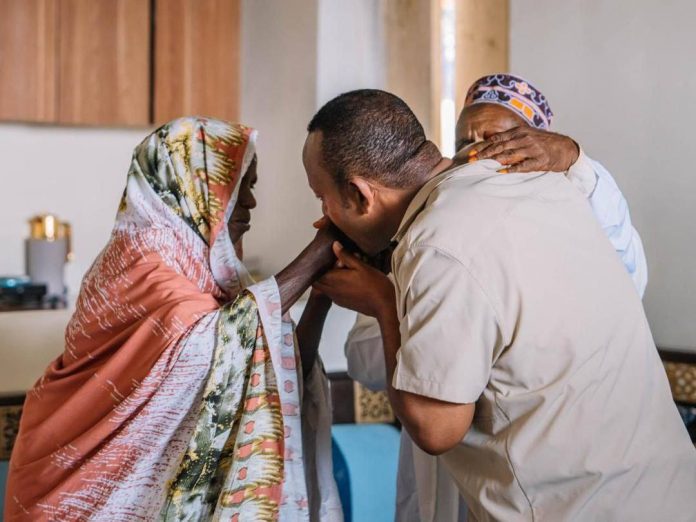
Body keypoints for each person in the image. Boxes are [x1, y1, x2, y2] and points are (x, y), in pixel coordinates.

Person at [306, 90, 696, 521]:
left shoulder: (436, 243)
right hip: (665, 493)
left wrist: (383, 301)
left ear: (360, 193)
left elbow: (437, 429)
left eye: (321, 197)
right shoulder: (543, 183)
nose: (322, 215)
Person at [6, 117, 343, 521]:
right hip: (76, 497)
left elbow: (259, 360)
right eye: (239, 186)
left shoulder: (200, 273)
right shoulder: (144, 265)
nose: (251, 202)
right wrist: (322, 249)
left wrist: (319, 298)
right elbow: (221, 343)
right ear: (191, 190)